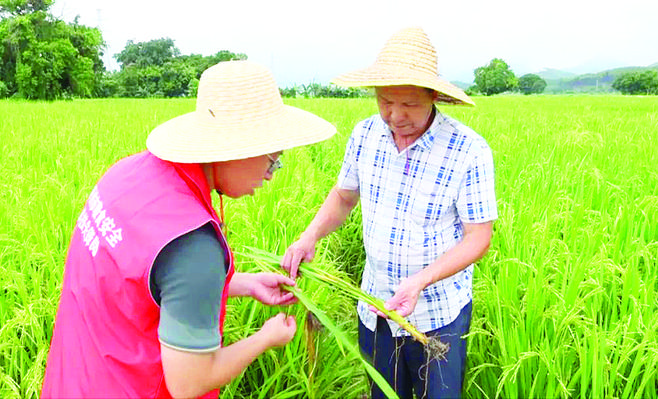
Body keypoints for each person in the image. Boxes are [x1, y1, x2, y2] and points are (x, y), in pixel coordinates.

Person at [42, 60, 336, 398]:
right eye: (273, 160)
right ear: (235, 149)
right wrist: (265, 338)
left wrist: (244, 284)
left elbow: (144, 284)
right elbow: (189, 382)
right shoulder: (194, 244)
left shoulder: (127, 175)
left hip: (74, 380)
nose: (271, 174)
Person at [281, 26, 497, 399]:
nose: (395, 115)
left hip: (438, 315)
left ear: (434, 96)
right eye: (384, 101)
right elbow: (343, 197)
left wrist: (420, 282)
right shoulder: (364, 134)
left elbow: (479, 236)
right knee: (382, 393)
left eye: (409, 104)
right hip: (375, 308)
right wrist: (309, 236)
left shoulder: (468, 150)